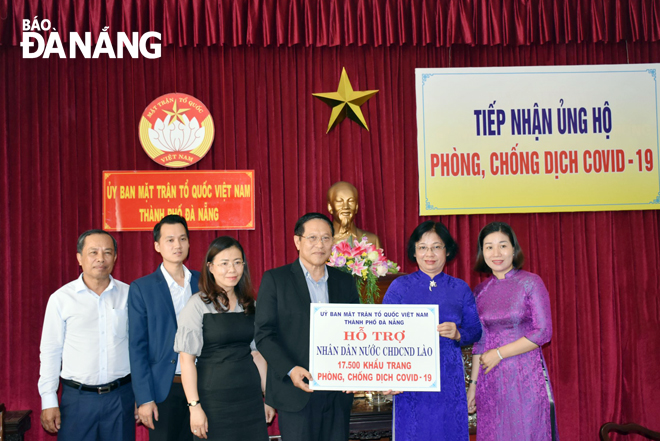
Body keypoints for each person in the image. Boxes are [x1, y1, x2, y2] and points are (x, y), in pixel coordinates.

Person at [254, 212, 360, 441]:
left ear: (333, 242)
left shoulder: (345, 281)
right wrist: (291, 369)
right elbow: (264, 335)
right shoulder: (276, 280)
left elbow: (355, 333)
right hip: (296, 391)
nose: (319, 244)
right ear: (297, 241)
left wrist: (355, 373)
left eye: (325, 238)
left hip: (337, 394)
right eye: (312, 238)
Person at [382, 220, 482, 441]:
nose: (430, 253)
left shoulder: (459, 288)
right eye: (423, 247)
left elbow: (476, 330)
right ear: (414, 252)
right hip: (409, 378)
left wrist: (459, 334)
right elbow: (383, 334)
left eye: (437, 246)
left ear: (447, 251)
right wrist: (387, 376)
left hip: (449, 377)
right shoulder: (399, 287)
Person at [174, 236, 275, 440]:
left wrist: (268, 396)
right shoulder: (197, 305)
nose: (232, 269)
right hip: (214, 401)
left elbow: (257, 354)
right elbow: (186, 360)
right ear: (210, 267)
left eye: (238, 263)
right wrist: (194, 407)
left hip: (250, 398)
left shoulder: (250, 304)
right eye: (224, 263)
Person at [38, 230, 134, 440]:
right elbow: (51, 351)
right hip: (77, 400)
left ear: (115, 257)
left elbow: (139, 347)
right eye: (93, 252)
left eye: (107, 252)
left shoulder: (129, 295)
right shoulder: (61, 299)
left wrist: (142, 395)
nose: (101, 258)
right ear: (79, 257)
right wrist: (49, 400)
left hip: (121, 397)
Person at [468, 221, 559, 441]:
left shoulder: (530, 283)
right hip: (490, 382)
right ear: (483, 252)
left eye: (503, 245)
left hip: (524, 377)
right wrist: (472, 386)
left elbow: (543, 332)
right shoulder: (480, 291)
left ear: (513, 249)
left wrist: (499, 353)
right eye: (489, 247)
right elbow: (480, 342)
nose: (496, 253)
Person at [128, 215, 201, 440]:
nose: (177, 245)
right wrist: (144, 398)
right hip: (163, 389)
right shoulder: (142, 288)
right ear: (157, 246)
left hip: (203, 385)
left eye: (182, 239)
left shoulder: (204, 282)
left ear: (189, 243)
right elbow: (137, 347)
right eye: (169, 240)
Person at [327, 181, 381, 247]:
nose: (346, 207)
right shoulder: (321, 241)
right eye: (339, 201)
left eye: (351, 201)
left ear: (356, 207)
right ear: (330, 207)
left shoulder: (372, 240)